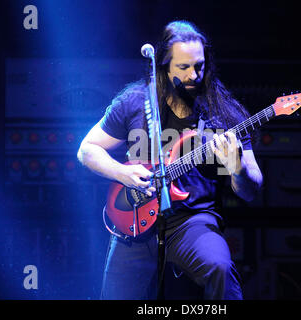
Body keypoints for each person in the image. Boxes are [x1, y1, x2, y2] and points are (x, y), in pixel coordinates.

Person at [77, 20, 263, 300]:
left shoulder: (223, 115)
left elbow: (252, 190)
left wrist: (237, 169)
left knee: (220, 269)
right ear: (163, 66)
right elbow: (86, 150)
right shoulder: (134, 102)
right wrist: (122, 173)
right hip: (135, 222)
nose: (194, 75)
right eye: (183, 67)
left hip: (192, 221)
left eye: (199, 66)